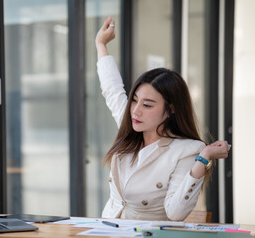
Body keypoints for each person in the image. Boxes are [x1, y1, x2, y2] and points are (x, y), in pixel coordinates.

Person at [95, 16, 231, 221]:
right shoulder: (131, 125)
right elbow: (112, 89)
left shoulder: (187, 150)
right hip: (104, 231)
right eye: (134, 100)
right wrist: (100, 44)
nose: (136, 111)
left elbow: (176, 213)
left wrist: (204, 158)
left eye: (147, 105)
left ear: (170, 110)